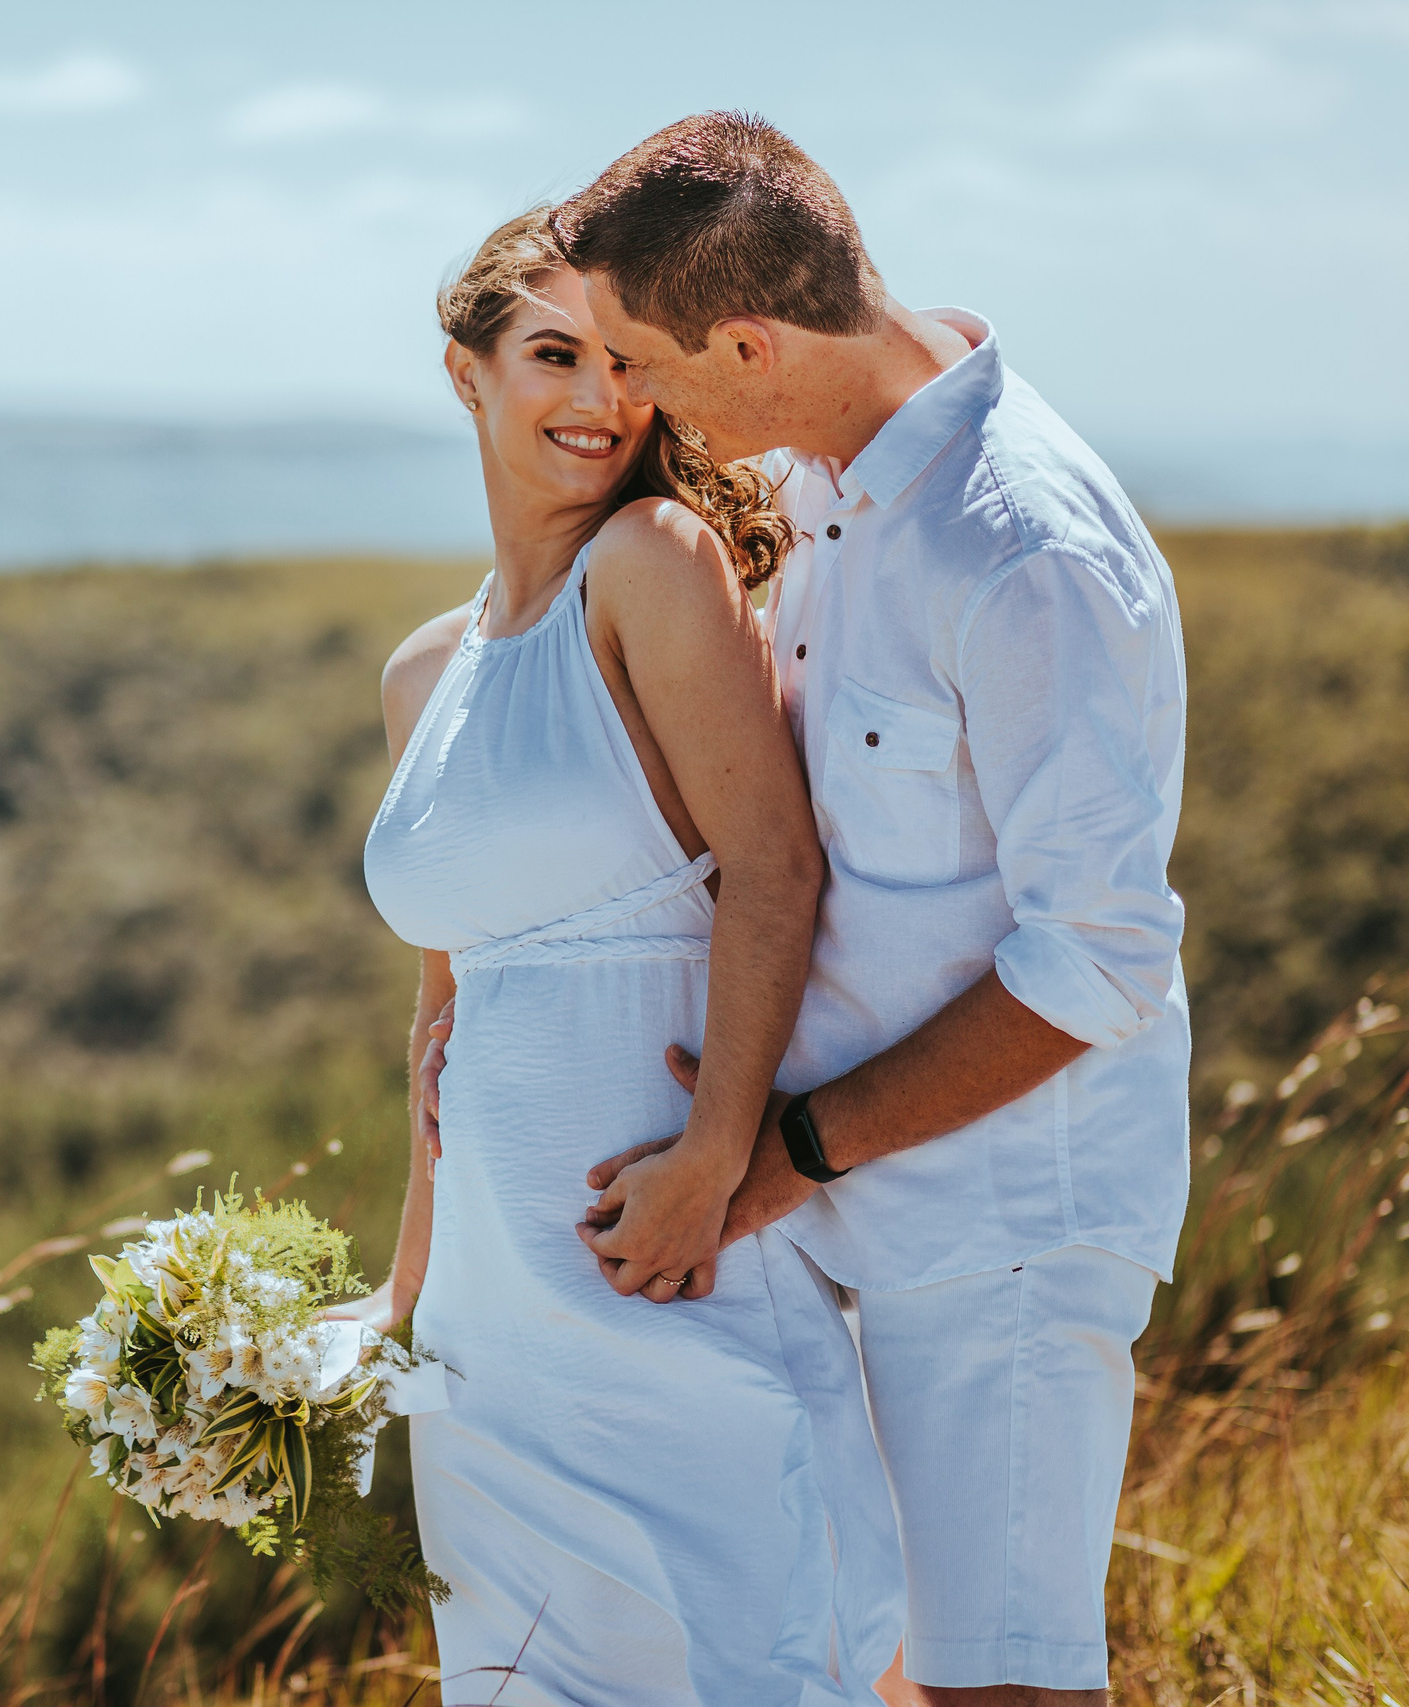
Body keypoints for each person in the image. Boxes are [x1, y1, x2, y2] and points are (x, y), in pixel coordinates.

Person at [538, 113, 1190, 1707]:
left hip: (1001, 1231)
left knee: (1000, 1690)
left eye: (644, 363)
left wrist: (794, 1149)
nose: (631, 403)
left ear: (751, 341)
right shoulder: (834, 481)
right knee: (883, 1679)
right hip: (849, 1213)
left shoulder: (1021, 547)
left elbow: (1094, 960)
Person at [329, 210, 904, 1706]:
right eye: (553, 355)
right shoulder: (421, 676)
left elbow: (777, 871)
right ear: (468, 375)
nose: (600, 398)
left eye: (625, 361)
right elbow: (443, 1011)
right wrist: (406, 1296)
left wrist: (719, 1154)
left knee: (746, 1665)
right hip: (492, 1328)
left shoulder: (650, 562)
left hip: (664, 1271)